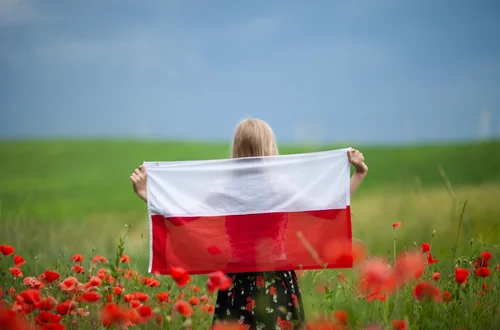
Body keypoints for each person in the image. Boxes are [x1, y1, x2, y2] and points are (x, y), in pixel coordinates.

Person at [130, 118, 368, 330]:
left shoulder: (224, 188)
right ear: (269, 147)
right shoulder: (281, 187)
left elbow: (182, 216)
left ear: (237, 148)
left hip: (236, 282)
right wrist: (358, 174)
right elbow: (327, 210)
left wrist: (145, 192)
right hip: (278, 279)